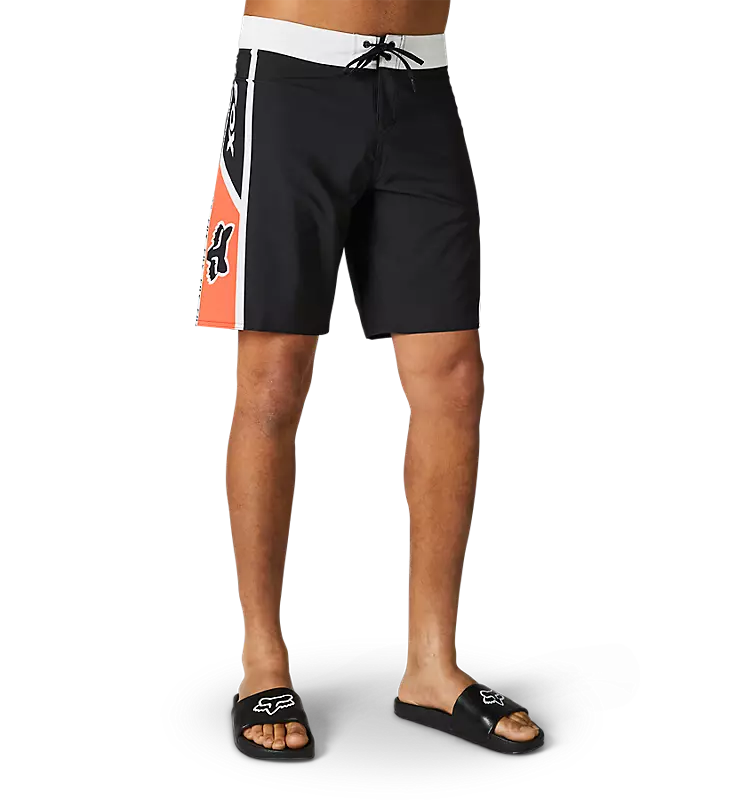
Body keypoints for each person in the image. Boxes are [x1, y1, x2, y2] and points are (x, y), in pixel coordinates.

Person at [196, 0, 543, 759]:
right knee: (273, 377)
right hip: (292, 82)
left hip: (420, 88)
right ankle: (262, 660)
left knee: (454, 377)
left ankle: (431, 666)